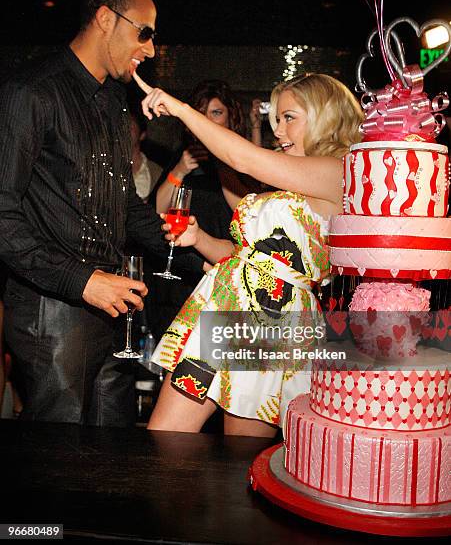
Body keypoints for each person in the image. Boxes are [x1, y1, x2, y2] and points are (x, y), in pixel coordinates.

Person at [140, 73, 364, 437]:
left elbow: (244, 160)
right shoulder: (289, 182)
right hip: (221, 312)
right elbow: (249, 255)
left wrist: (181, 110)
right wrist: (198, 239)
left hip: (270, 323)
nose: (278, 130)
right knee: (165, 437)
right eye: (276, 119)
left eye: (288, 117)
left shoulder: (339, 173)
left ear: (325, 116)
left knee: (236, 465)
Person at [0, 0, 170, 427]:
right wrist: (81, 281)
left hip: (110, 307)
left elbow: (124, 204)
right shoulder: (31, 92)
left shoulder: (115, 101)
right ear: (105, 19)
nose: (150, 50)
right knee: (57, 469)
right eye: (145, 33)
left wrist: (189, 250)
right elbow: (2, 213)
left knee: (110, 460)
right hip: (51, 312)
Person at [147, 79, 263, 342]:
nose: (207, 120)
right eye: (201, 113)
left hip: (224, 270)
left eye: (216, 112)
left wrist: (222, 162)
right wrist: (179, 170)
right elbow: (156, 210)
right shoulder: (184, 156)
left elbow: (251, 212)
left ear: (232, 118)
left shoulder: (239, 162)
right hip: (183, 271)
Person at [130, 111, 163, 203]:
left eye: (131, 126)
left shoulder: (156, 172)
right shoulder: (108, 168)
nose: (125, 130)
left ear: (142, 135)